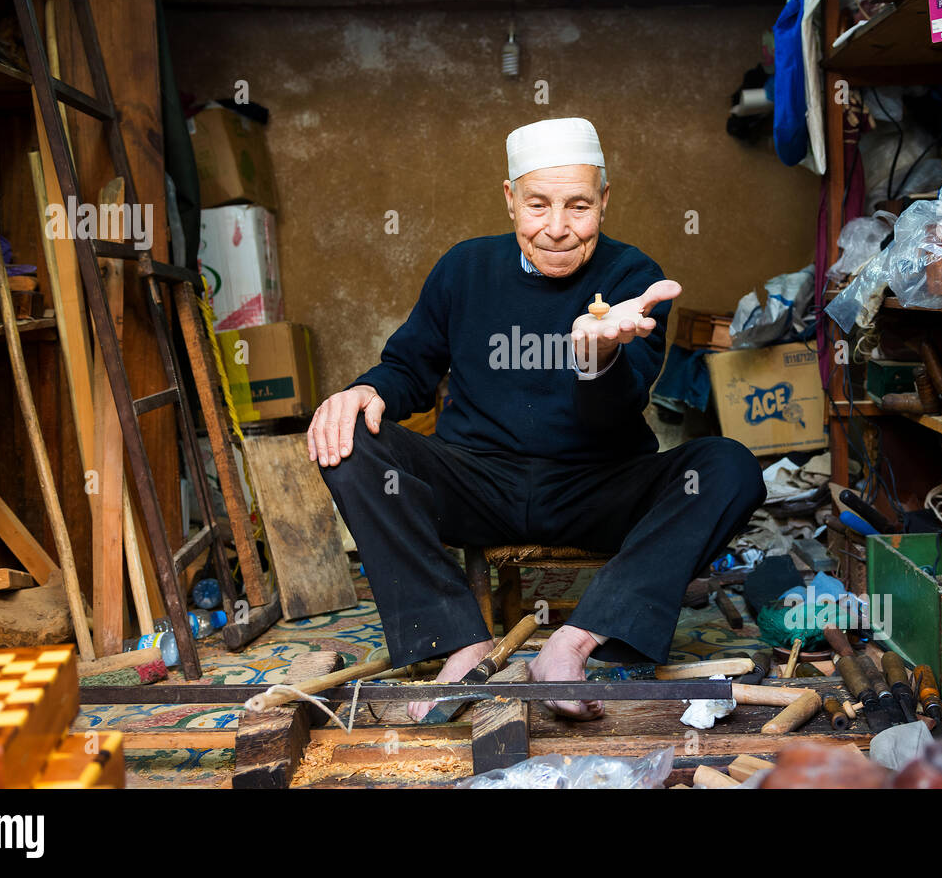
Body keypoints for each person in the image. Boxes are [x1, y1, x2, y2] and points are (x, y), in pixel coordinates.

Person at [308, 117, 765, 720]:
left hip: (597, 487)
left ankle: (570, 646)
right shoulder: (464, 269)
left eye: (578, 207)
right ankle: (459, 641)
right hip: (474, 483)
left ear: (604, 201)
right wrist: (363, 391)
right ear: (509, 200)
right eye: (538, 205)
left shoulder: (634, 279)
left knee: (727, 466)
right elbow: (408, 371)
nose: (556, 229)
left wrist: (595, 355)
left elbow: (618, 407)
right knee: (350, 440)